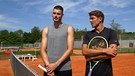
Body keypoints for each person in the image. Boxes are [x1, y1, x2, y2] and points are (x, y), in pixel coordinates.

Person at [82, 10, 119, 76]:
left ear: (100, 19)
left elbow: (112, 53)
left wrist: (91, 57)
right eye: (90, 18)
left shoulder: (111, 33)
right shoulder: (87, 34)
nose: (90, 20)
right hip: (90, 72)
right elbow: (84, 51)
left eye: (92, 18)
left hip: (106, 73)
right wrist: (105, 50)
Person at [40, 5, 74, 76]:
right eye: (54, 13)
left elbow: (70, 49)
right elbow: (42, 50)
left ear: (62, 15)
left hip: (65, 69)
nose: (56, 15)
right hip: (49, 69)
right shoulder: (46, 29)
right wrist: (48, 66)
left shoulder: (69, 28)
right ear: (52, 14)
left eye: (58, 14)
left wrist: (55, 65)